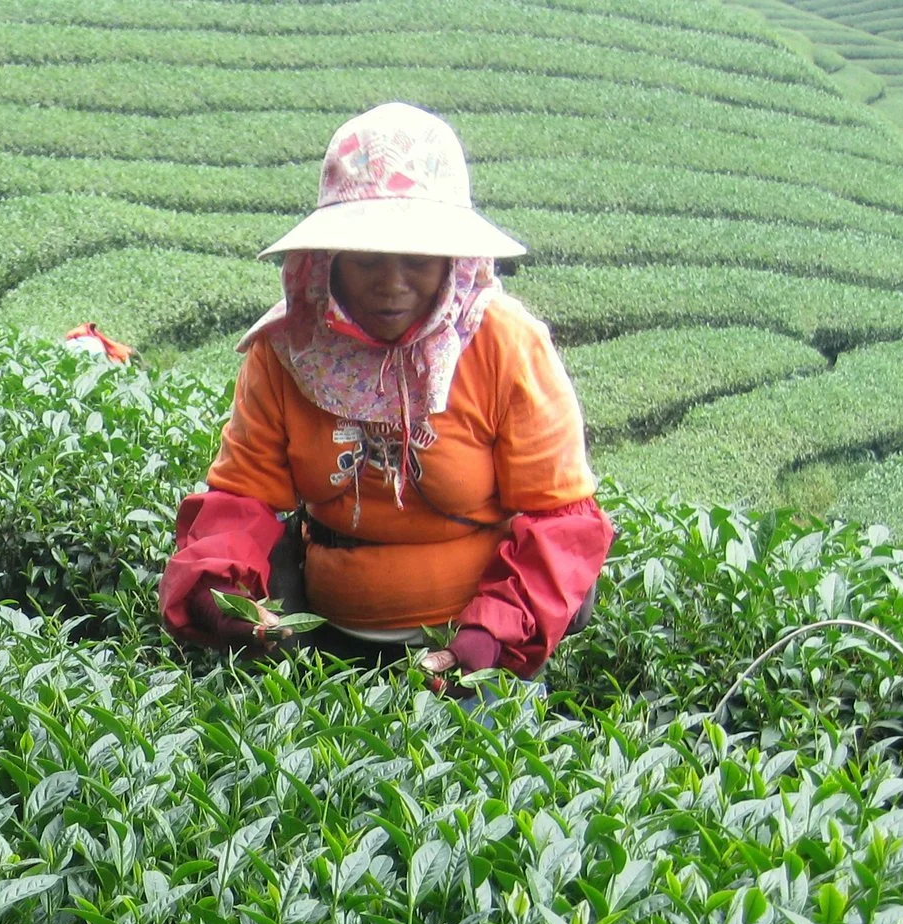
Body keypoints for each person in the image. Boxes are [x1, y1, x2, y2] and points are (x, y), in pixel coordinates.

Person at [160, 103, 612, 687]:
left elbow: (560, 519)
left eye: (418, 261)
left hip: (474, 650)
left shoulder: (506, 344)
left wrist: (485, 638)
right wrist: (219, 594)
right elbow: (242, 497)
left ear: (452, 260)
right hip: (321, 639)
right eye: (369, 259)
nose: (392, 284)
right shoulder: (290, 347)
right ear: (330, 260)